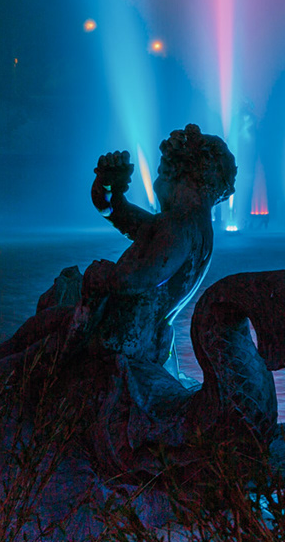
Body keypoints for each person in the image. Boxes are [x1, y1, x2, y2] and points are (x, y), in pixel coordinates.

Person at [86, 124, 238, 379]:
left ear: (177, 172)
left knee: (42, 331)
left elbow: (134, 280)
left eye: (161, 171)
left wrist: (99, 275)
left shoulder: (178, 227)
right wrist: (107, 186)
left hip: (119, 343)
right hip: (144, 341)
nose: (157, 180)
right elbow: (116, 212)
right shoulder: (190, 226)